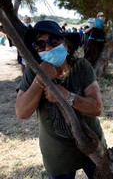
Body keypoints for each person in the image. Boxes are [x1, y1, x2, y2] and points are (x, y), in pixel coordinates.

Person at [15, 20, 106, 178]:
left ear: (67, 44)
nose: (48, 48)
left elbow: (97, 108)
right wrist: (40, 79)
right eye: (41, 44)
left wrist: (66, 96)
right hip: (57, 157)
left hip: (92, 147)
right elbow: (21, 112)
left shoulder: (81, 67)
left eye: (54, 41)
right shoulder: (32, 72)